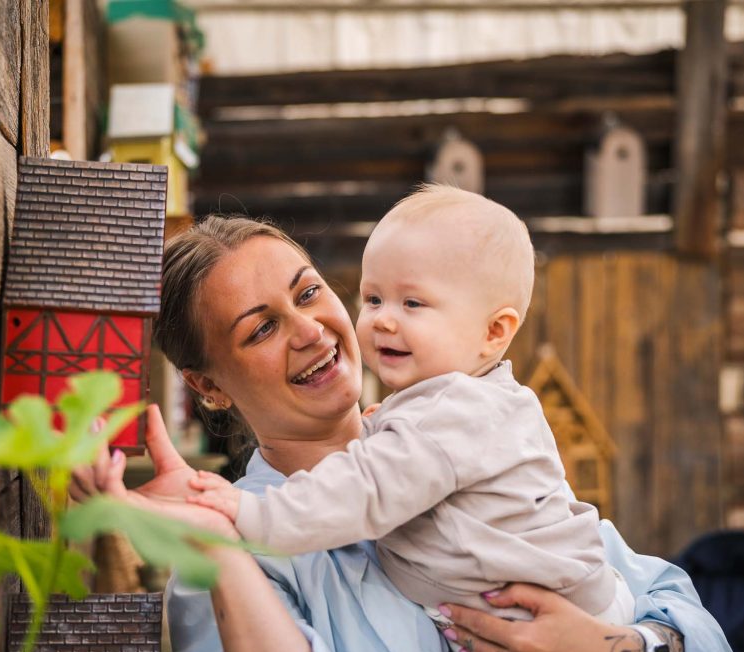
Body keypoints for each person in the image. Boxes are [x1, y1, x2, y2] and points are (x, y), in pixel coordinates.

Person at [71, 214, 738, 652]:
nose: (309, 330)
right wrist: (221, 543)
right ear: (207, 385)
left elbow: (695, 627)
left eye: (308, 292)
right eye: (261, 329)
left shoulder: (468, 435)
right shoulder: (230, 563)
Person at [187, 186, 633, 628]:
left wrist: (255, 517)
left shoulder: (454, 416)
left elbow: (363, 491)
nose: (382, 318)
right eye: (374, 299)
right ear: (206, 384)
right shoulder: (459, 412)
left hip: (555, 622)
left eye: (307, 294)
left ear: (495, 333)